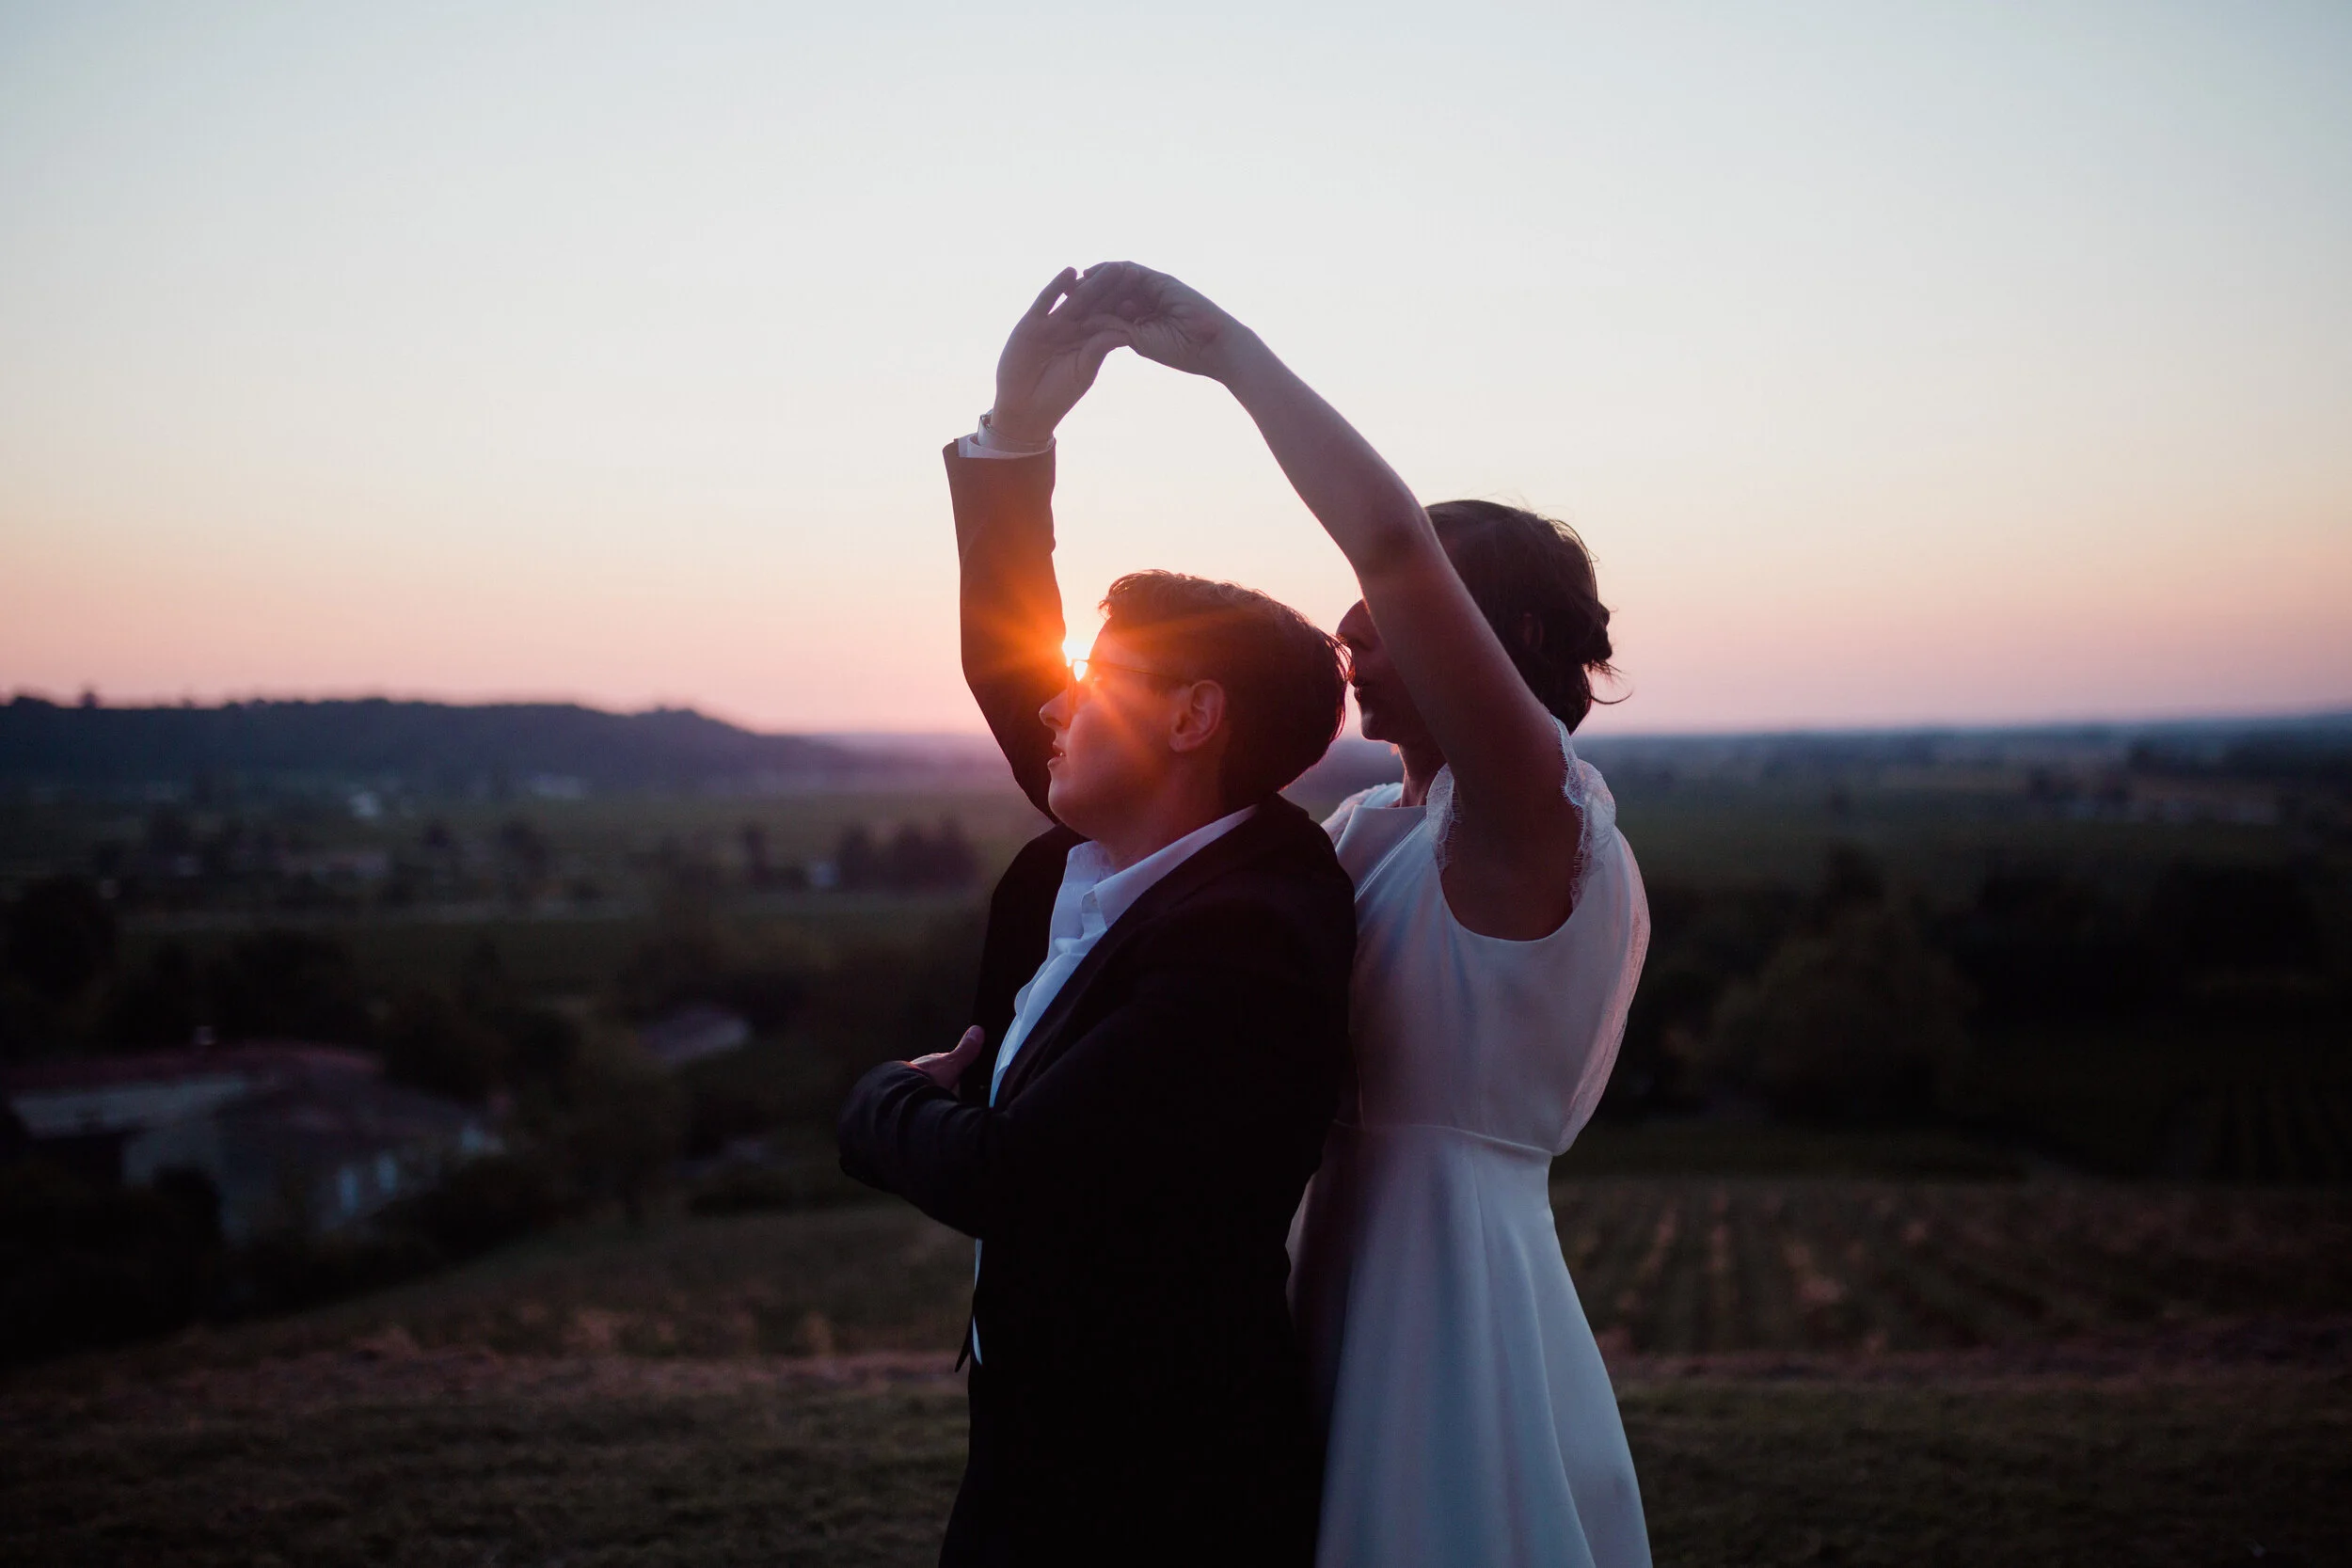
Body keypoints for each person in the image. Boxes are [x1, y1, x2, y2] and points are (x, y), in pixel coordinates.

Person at [957, 262, 1654, 1567]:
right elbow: (1068, 741)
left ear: (1486, 632)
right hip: (1316, 1274)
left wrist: (1227, 354)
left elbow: (1389, 541)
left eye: (1384, 624)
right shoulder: (1341, 843)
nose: (1352, 644)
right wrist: (1016, 446)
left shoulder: (1536, 825)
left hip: (1445, 1304)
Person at [835, 267, 1357, 1568]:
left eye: (1099, 684)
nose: (1057, 710)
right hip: (1037, 1443)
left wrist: (881, 1103)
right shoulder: (1114, 839)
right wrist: (1018, 432)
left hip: (1162, 1486)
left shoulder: (1254, 940)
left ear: (1192, 718)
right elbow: (1017, 665)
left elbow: (1017, 1179)